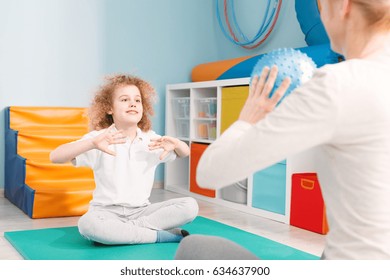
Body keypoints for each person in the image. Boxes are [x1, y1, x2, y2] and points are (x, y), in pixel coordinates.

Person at [175, 0, 390, 260]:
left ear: (342, 5)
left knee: (197, 248)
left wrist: (248, 118)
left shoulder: (337, 83)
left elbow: (209, 172)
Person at [50, 74, 198, 245]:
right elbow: (55, 157)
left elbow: (185, 153)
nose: (133, 103)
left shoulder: (151, 140)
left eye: (137, 100)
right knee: (87, 225)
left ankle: (128, 231)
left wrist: (177, 143)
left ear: (143, 108)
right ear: (109, 108)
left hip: (142, 212)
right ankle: (158, 235)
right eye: (124, 99)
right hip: (106, 213)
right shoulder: (99, 139)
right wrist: (91, 144)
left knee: (190, 206)